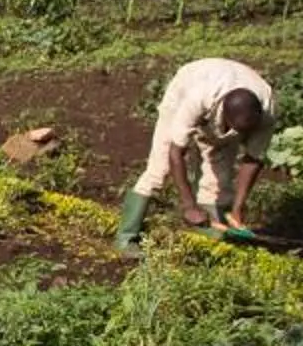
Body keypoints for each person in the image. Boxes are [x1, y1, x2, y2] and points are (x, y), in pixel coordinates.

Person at [116, 56, 273, 252]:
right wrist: (189, 206)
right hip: (187, 86)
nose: (240, 137)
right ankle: (126, 238)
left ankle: (210, 235)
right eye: (236, 130)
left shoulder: (267, 110)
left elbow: (253, 159)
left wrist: (238, 207)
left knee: (218, 179)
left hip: (227, 95)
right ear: (224, 116)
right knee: (160, 168)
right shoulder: (198, 97)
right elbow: (176, 152)